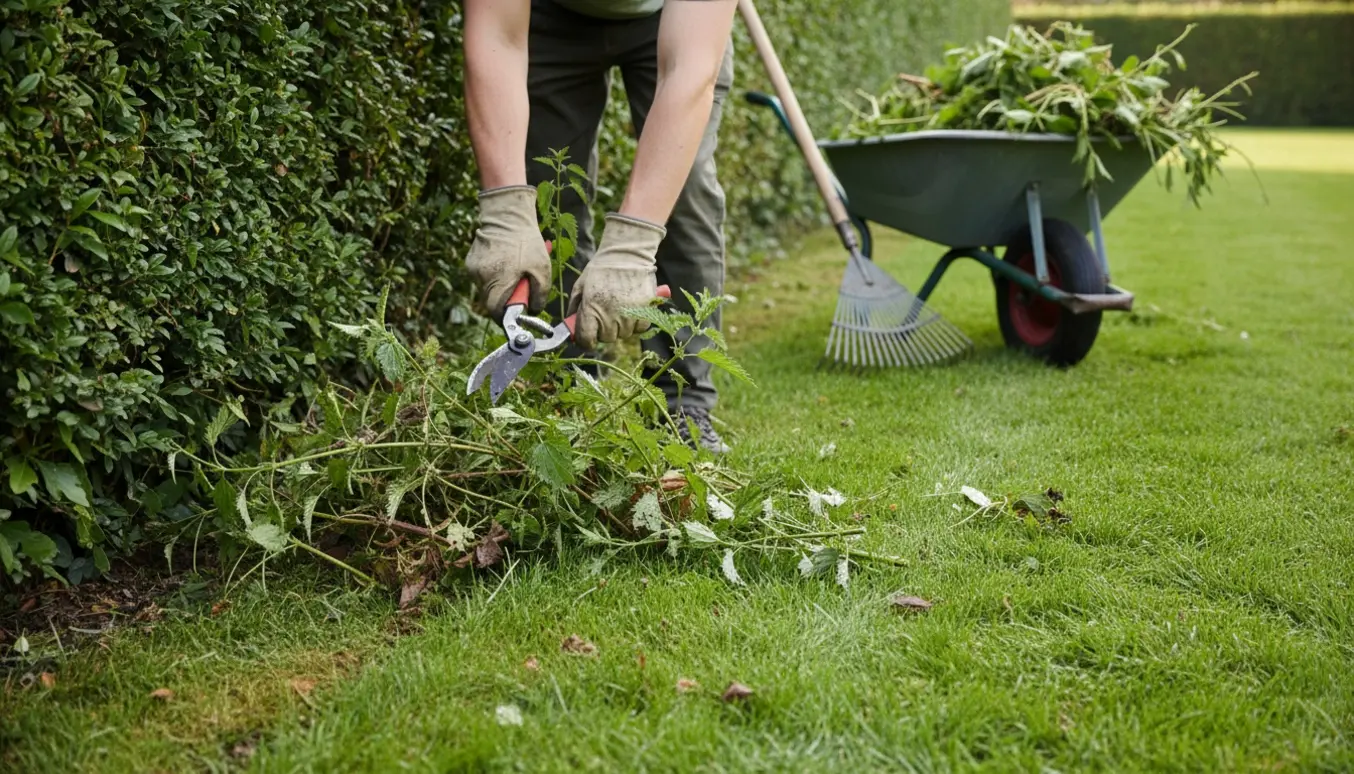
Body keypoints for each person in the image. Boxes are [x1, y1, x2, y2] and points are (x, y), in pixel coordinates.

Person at [461, 0, 739, 453]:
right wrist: (505, 209)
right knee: (550, 191)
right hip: (550, 15)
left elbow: (688, 70)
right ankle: (564, 394)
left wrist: (633, 245)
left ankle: (681, 403)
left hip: (668, 17)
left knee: (684, 198)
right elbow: (497, 35)